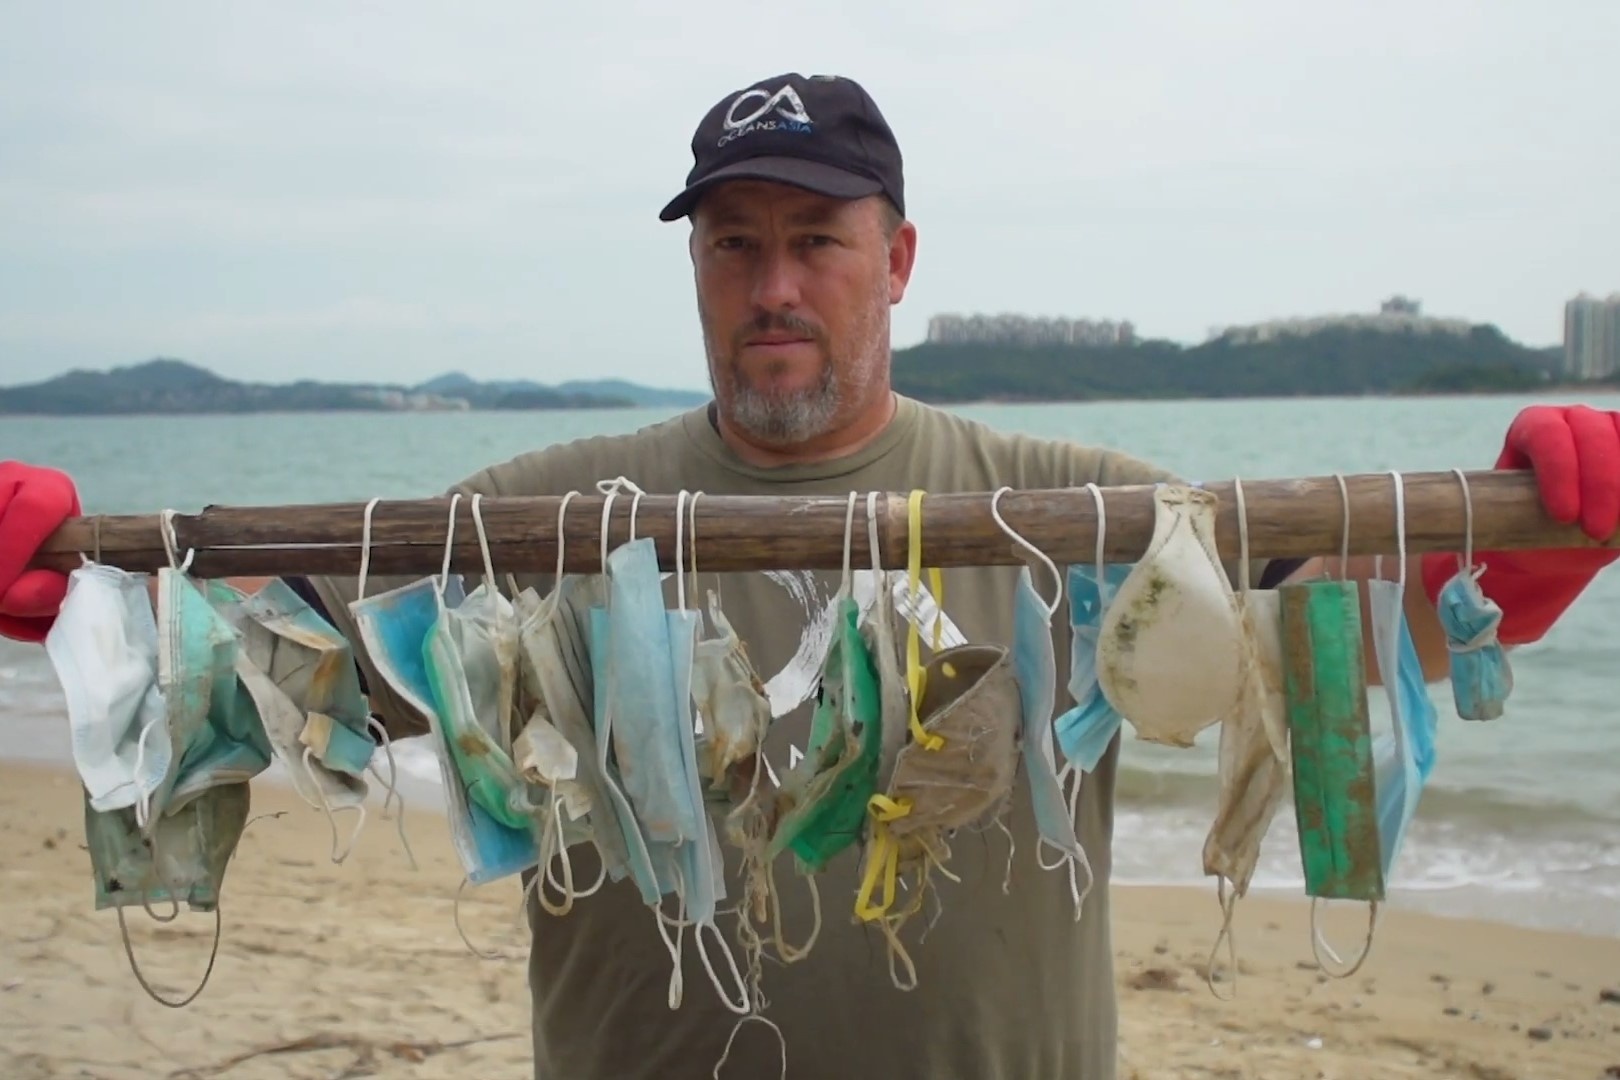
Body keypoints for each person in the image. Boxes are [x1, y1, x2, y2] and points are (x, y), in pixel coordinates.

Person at [3, 71, 1619, 1080]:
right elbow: (283, 676)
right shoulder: (535, 515)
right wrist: (75, 600)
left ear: (896, 260)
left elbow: (1344, 631)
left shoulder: (1080, 507)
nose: (774, 284)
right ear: (696, 266)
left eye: (817, 240)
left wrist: (1526, 555)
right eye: (735, 243)